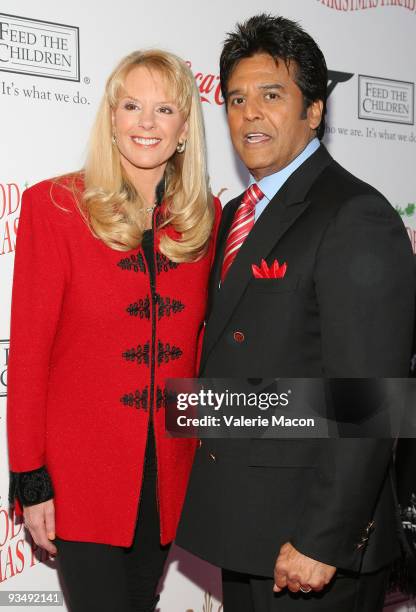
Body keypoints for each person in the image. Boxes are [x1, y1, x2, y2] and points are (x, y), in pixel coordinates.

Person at [176, 14, 415, 612]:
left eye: (272, 95)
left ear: (314, 111)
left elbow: (372, 397)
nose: (250, 113)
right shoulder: (236, 216)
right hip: (247, 530)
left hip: (311, 548)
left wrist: (323, 540)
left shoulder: (355, 214)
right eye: (236, 99)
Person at [7, 49, 220, 612]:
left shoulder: (207, 220)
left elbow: (202, 351)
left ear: (183, 130)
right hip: (81, 480)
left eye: (164, 108)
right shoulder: (53, 207)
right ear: (111, 117)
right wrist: (31, 478)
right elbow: (28, 355)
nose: (146, 122)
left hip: (169, 478)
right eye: (131, 105)